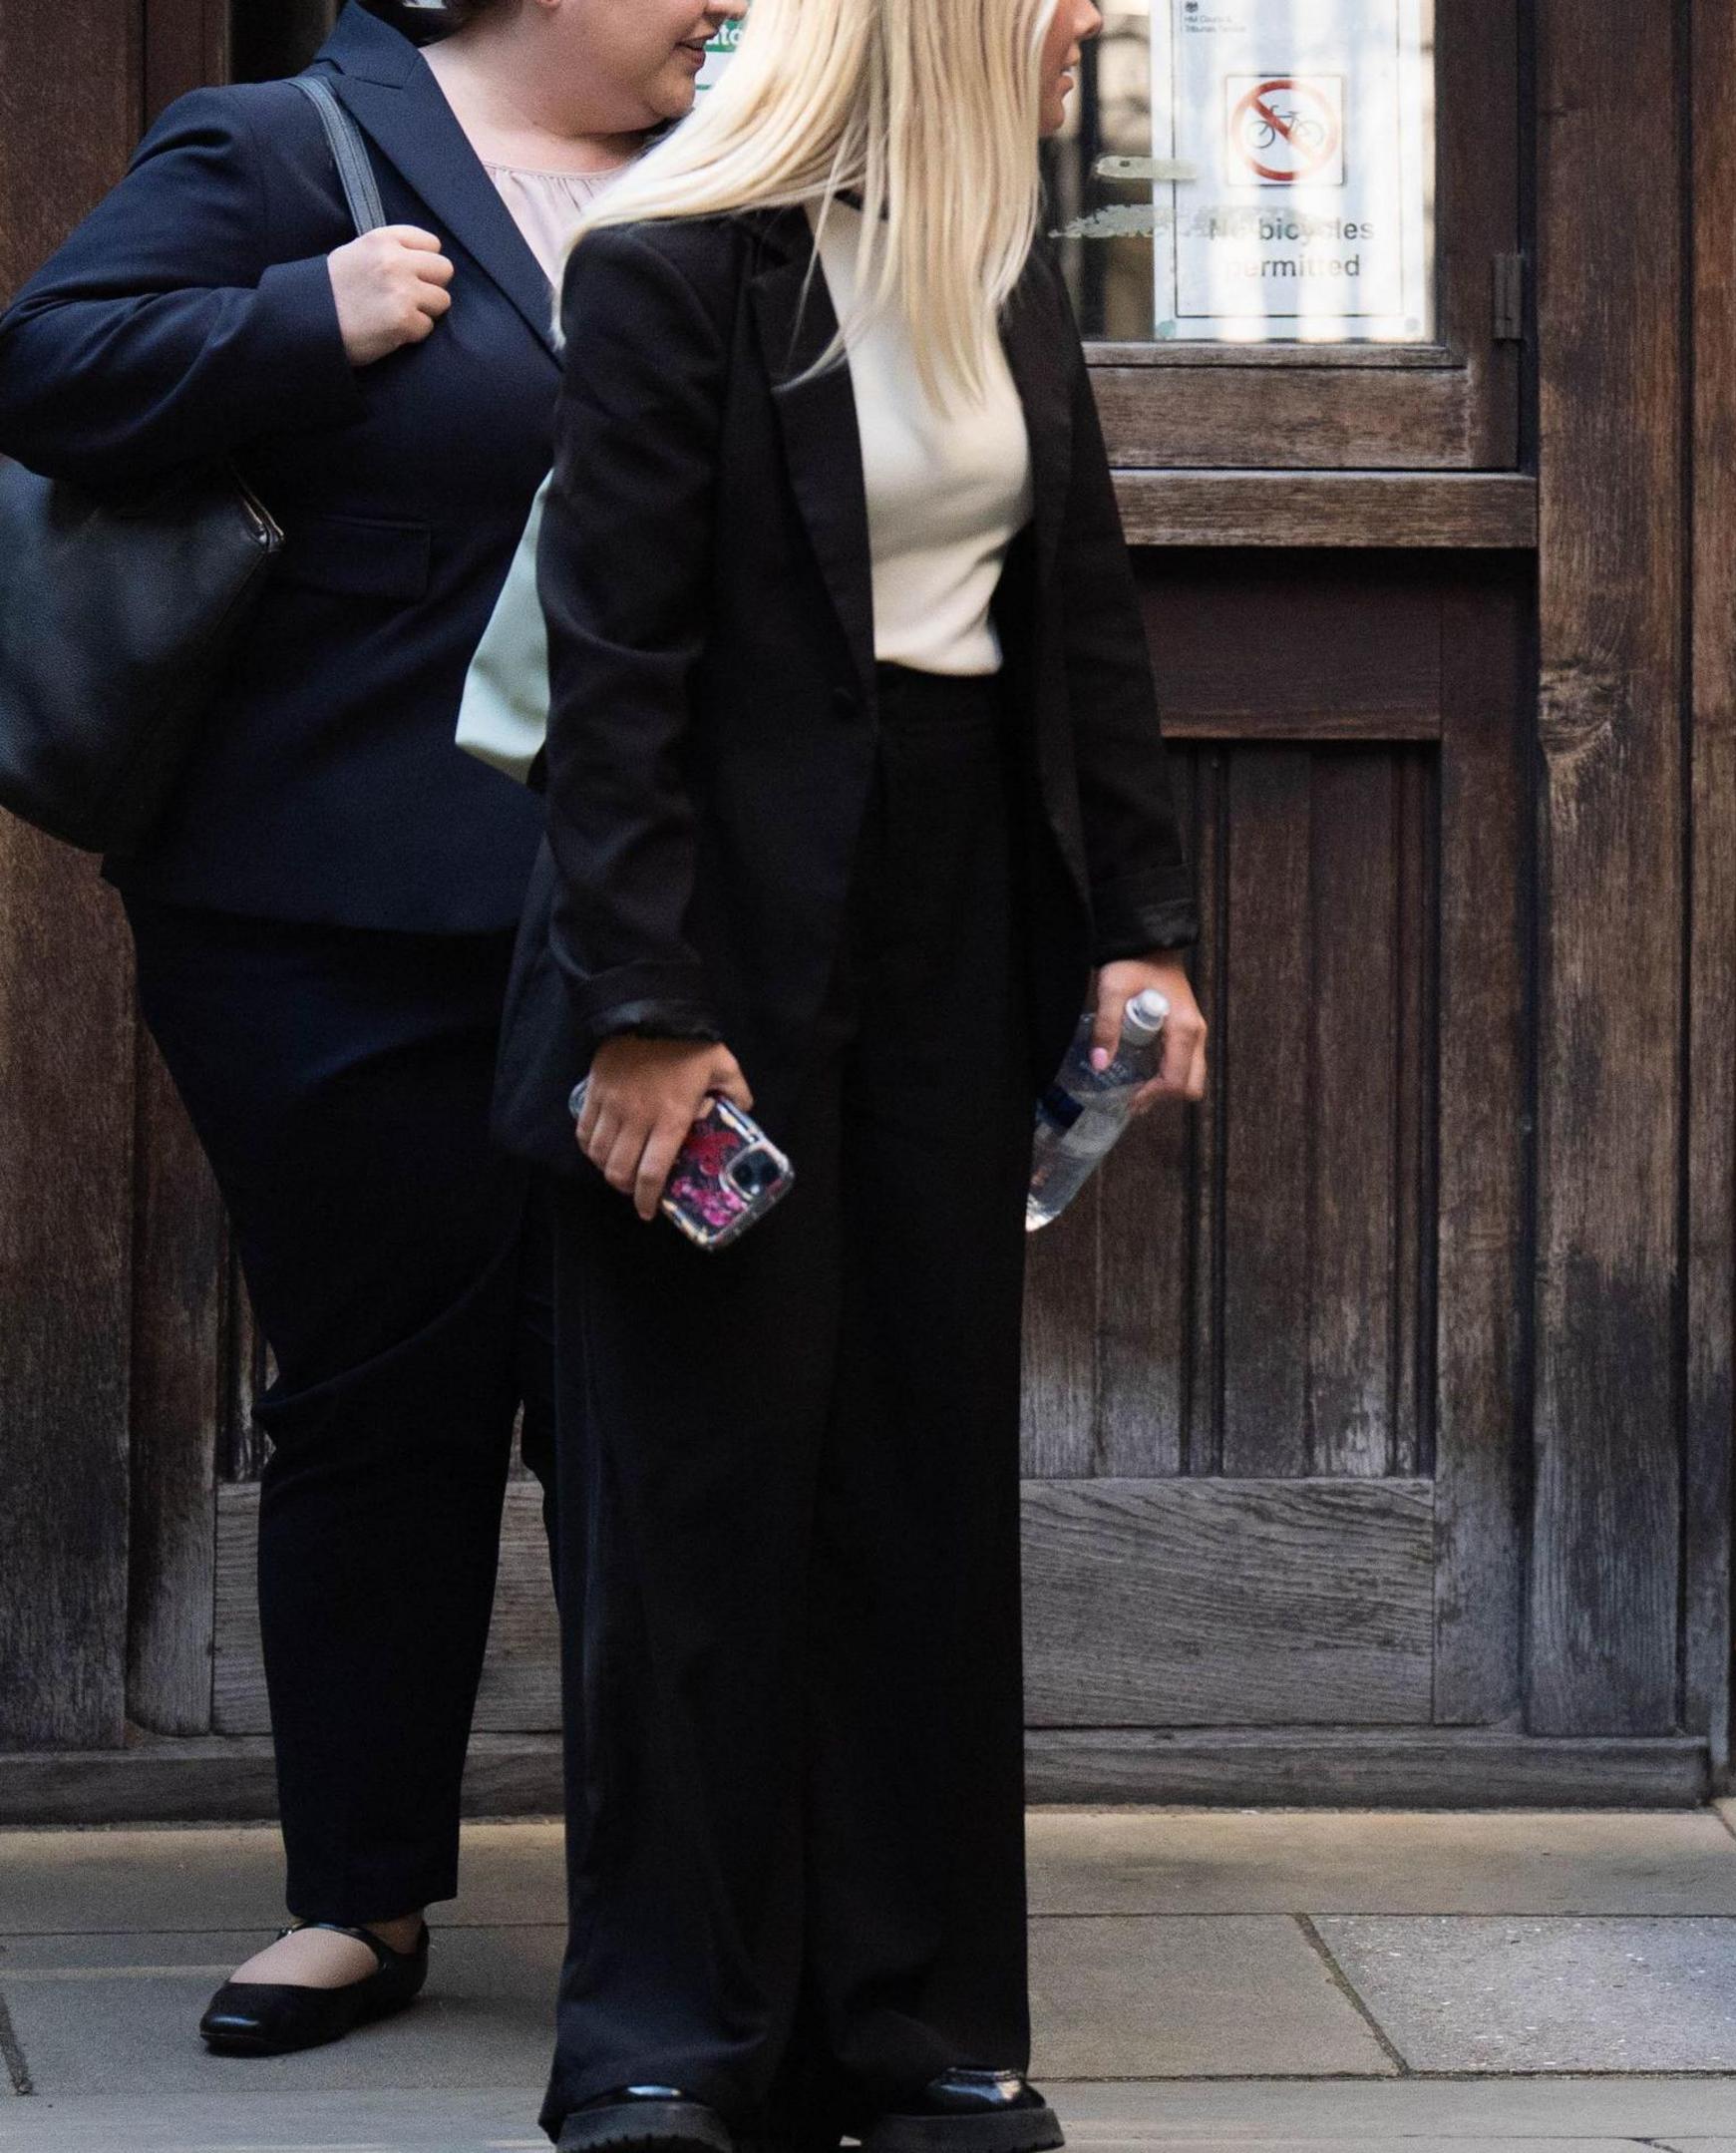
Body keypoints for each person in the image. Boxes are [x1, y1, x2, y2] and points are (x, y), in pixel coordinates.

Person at [0, 0, 739, 2060]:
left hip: (656, 927)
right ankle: (360, 1898)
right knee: (379, 1390)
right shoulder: (275, 153)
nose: (717, 1)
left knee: (666, 1413)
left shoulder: (736, 181)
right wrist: (298, 323)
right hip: (323, 918)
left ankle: (679, 1920)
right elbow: (43, 373)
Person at [499, 0, 1205, 2143]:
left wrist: (1140, 933)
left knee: (917, 1476)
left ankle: (916, 2032)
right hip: (712, 936)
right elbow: (609, 675)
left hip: (957, 914)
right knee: (702, 1492)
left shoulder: (998, 260)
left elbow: (1076, 611)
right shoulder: (663, 264)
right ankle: (663, 2049)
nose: (1101, 16)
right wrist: (646, 1007)